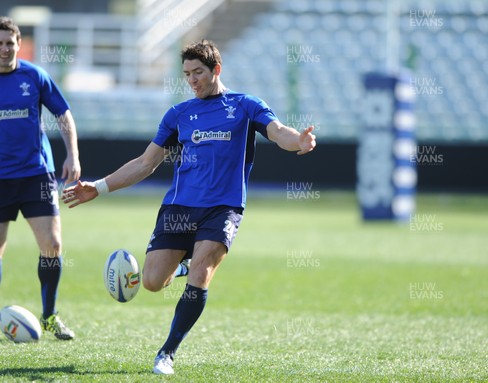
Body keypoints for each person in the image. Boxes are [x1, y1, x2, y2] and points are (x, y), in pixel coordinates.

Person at [62, 40, 316, 374]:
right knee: (152, 281)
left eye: (198, 72)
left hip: (223, 208)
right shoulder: (179, 114)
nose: (192, 80)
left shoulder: (245, 106)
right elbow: (145, 163)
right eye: (187, 74)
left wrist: (298, 141)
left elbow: (278, 131)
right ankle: (180, 267)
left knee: (202, 273)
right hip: (179, 208)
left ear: (216, 70)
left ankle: (167, 353)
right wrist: (98, 186)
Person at [0, 16, 81, 341]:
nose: (5, 48)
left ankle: (49, 316)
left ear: (19, 44)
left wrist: (73, 156)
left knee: (52, 245)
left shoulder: (35, 77)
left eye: (10, 43)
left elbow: (64, 115)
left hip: (37, 174)